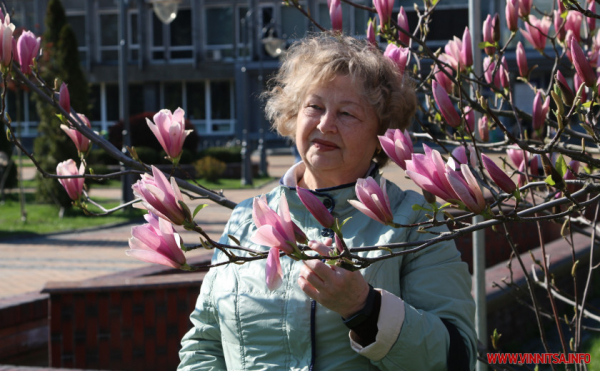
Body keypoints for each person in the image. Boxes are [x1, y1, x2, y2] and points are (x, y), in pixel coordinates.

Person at [179, 33, 477, 371]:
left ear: (381, 137)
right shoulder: (246, 220)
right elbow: (203, 345)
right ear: (293, 116)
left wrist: (365, 309)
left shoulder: (414, 222)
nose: (325, 124)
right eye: (314, 107)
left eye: (347, 113)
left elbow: (456, 356)